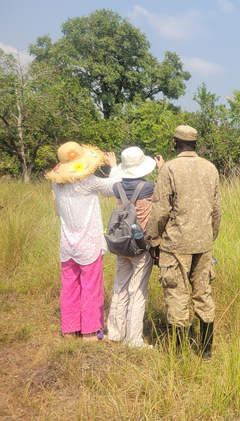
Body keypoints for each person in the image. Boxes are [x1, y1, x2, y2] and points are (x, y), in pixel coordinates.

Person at [145, 125, 221, 359]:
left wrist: (153, 239)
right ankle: (206, 351)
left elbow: (160, 210)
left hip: (176, 244)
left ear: (175, 143)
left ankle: (179, 354)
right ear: (196, 144)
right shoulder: (210, 168)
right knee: (203, 294)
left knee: (177, 295)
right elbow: (216, 210)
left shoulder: (169, 168)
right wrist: (210, 236)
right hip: (203, 243)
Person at [48, 142, 119, 342]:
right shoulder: (87, 181)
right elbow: (112, 188)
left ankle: (70, 329)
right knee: (91, 286)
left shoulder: (57, 183)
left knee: (69, 285)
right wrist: (113, 167)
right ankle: (89, 331)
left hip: (67, 243)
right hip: (89, 243)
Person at [105, 146, 161, 348]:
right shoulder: (149, 187)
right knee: (137, 292)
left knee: (119, 287)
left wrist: (112, 168)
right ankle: (134, 340)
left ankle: (115, 332)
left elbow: (113, 181)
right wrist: (162, 169)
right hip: (140, 246)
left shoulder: (116, 188)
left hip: (121, 243)